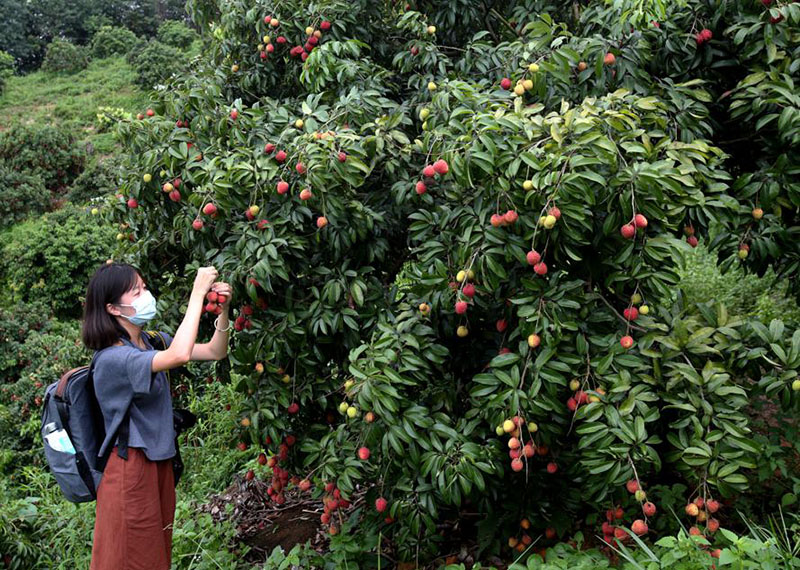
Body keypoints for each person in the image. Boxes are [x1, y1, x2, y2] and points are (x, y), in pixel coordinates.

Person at [80, 261, 232, 570]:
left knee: (156, 555)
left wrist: (224, 312)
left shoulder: (151, 341)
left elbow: (215, 351)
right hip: (129, 468)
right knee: (128, 559)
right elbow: (180, 355)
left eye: (145, 288)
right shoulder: (114, 358)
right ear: (112, 308)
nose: (145, 295)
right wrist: (198, 291)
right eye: (136, 292)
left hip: (159, 463)